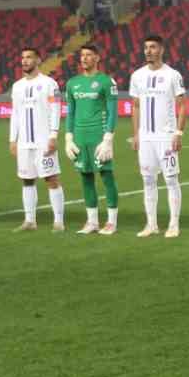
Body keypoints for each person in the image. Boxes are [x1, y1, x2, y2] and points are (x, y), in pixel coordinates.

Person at [130, 34, 189, 238]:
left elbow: (183, 105)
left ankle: (174, 224)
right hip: (146, 138)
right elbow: (135, 106)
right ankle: (151, 224)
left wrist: (178, 133)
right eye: (146, 47)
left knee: (171, 179)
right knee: (148, 181)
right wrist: (136, 134)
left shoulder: (173, 75)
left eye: (153, 47)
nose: (148, 51)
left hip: (166, 137)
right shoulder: (137, 75)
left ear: (161, 49)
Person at [65, 45, 120, 235]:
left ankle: (112, 222)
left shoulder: (106, 81)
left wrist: (108, 139)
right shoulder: (73, 83)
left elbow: (113, 112)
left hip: (99, 137)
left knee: (106, 176)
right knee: (85, 177)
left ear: (97, 57)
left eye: (89, 55)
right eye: (82, 55)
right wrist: (68, 138)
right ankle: (92, 222)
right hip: (80, 138)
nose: (85, 58)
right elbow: (70, 113)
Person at [9, 47, 64, 231]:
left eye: (29, 57)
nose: (24, 61)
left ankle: (58, 221)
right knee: (27, 179)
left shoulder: (50, 84)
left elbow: (56, 109)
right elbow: (15, 114)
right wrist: (12, 140)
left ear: (38, 60)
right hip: (24, 142)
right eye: (22, 57)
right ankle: (30, 221)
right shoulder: (17, 86)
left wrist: (54, 135)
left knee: (51, 179)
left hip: (43, 140)